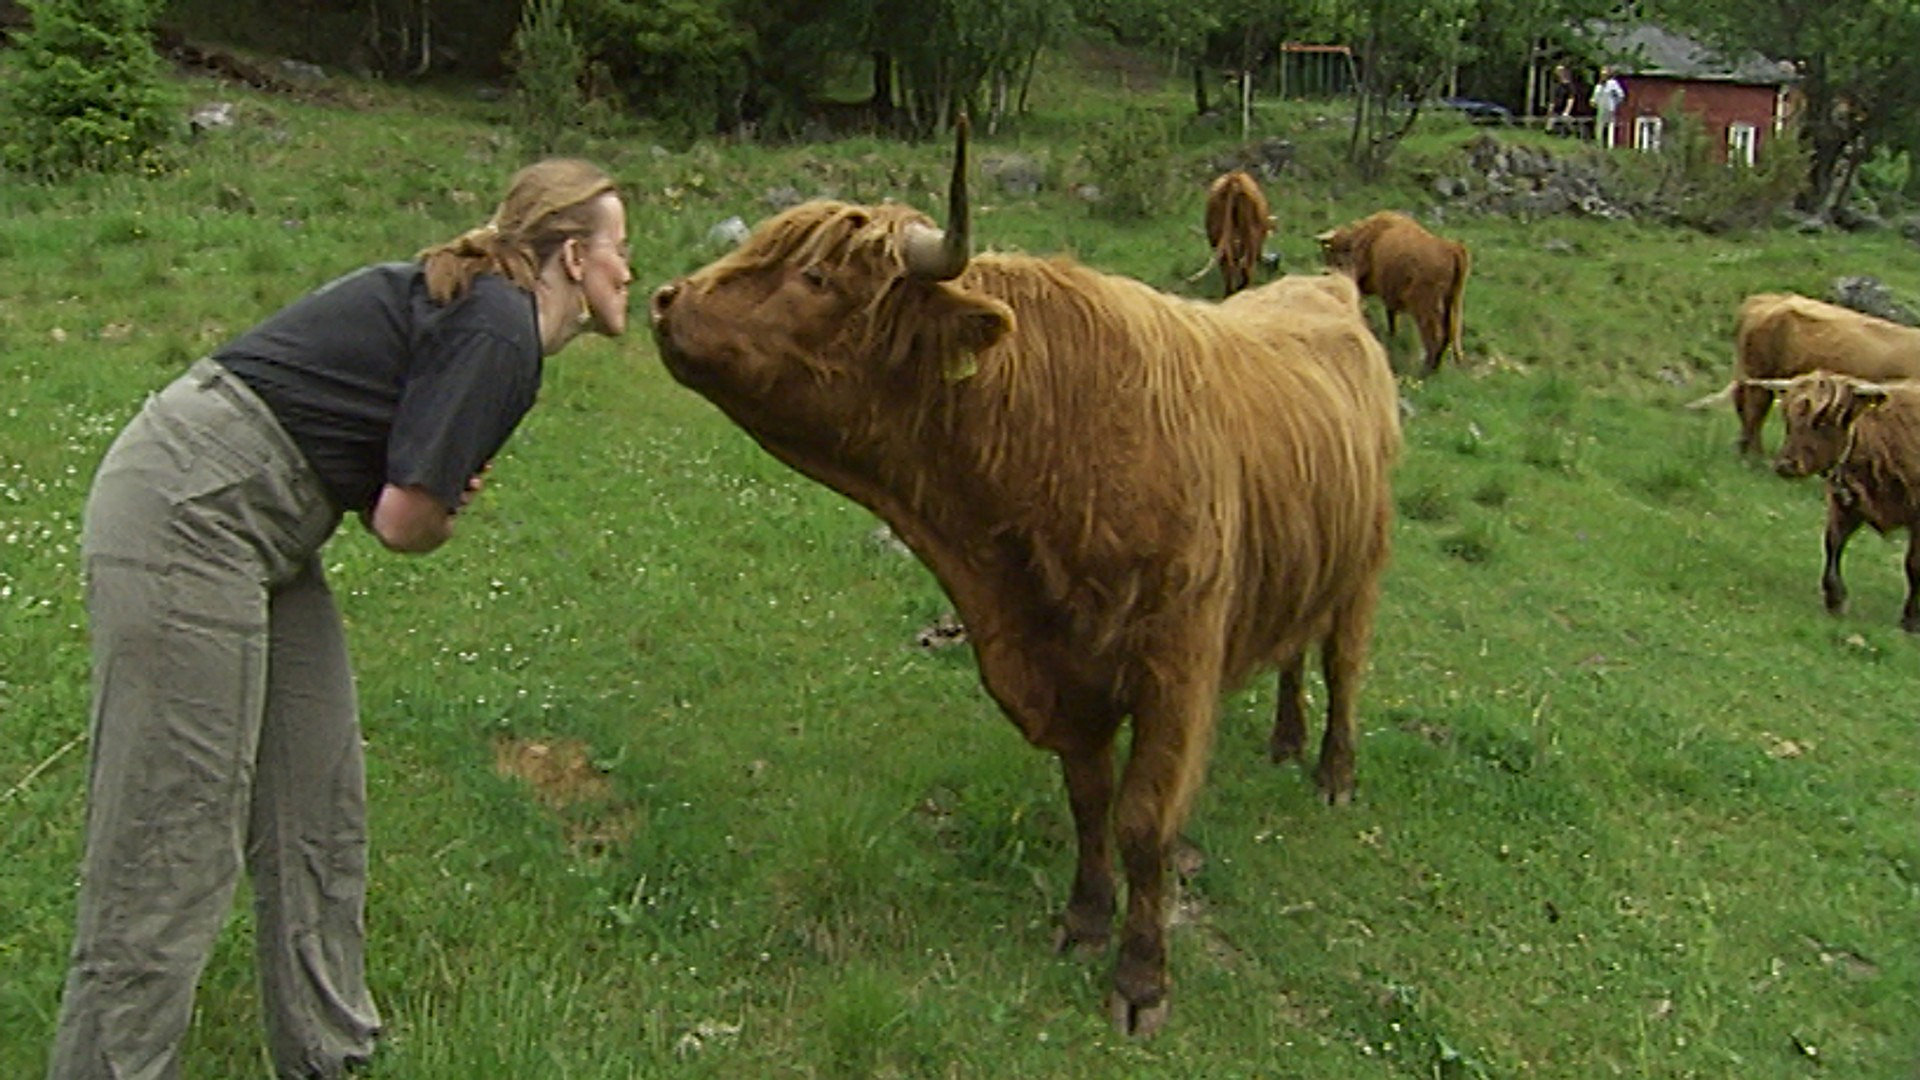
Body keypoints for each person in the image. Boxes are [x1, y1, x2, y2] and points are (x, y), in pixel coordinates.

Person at [47, 157, 632, 1079]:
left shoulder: (483, 314)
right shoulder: (502, 331)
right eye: (619, 250)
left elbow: (373, 461)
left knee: (316, 802)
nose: (628, 272)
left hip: (266, 524)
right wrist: (439, 504)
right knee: (173, 835)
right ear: (568, 257)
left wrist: (426, 479)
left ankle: (330, 1057)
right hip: (192, 509)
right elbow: (403, 525)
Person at [1591, 66, 1625, 148]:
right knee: (1600, 127)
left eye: (1605, 74)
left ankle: (1610, 145)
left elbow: (1621, 95)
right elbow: (1594, 99)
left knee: (1610, 127)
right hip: (1601, 109)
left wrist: (1615, 102)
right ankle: (1599, 145)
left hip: (1610, 108)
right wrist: (1593, 102)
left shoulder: (1613, 83)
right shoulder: (1598, 86)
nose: (1603, 76)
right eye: (1602, 74)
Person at [1546, 63, 1577, 136]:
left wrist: (1567, 111)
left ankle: (1573, 134)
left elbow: (1571, 99)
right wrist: (1550, 108)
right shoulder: (1556, 84)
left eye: (1561, 71)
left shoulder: (1569, 85)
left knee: (1567, 123)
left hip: (1566, 110)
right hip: (1556, 110)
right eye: (1558, 71)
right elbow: (1553, 98)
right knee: (1550, 124)